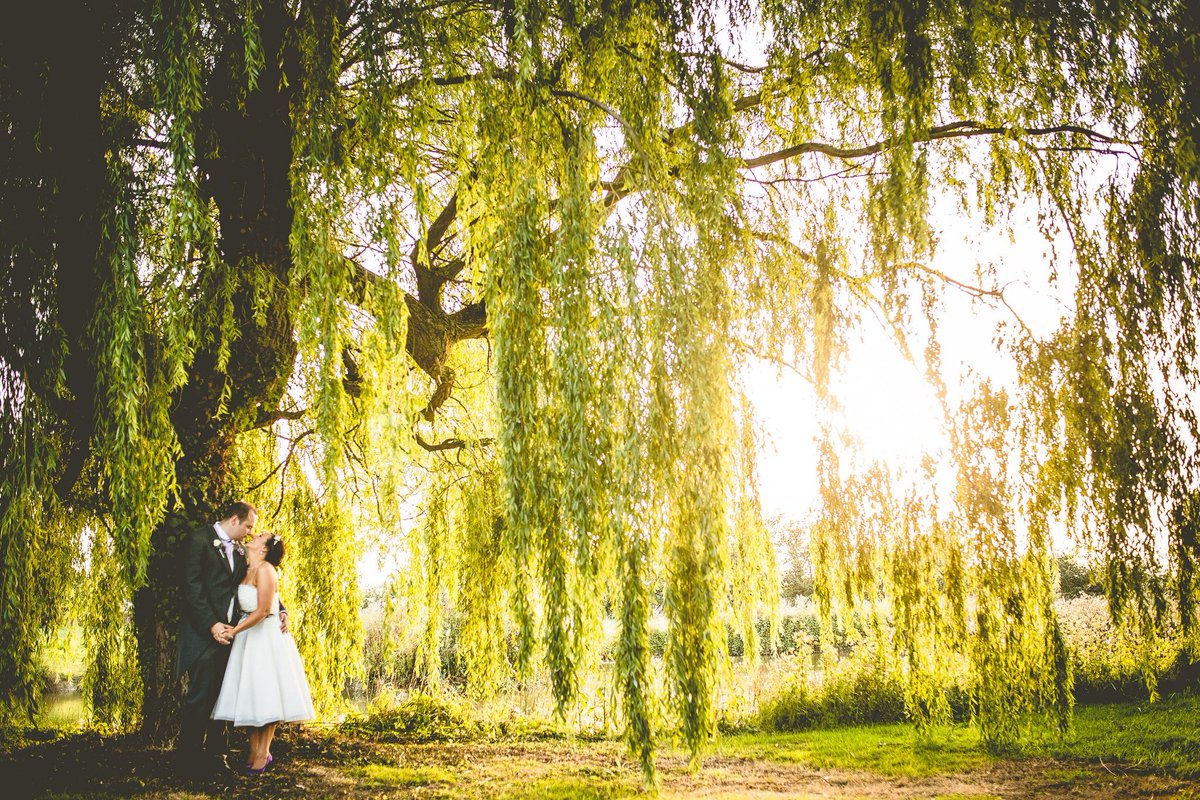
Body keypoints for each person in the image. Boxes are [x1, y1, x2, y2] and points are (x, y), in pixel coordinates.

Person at [176, 501, 289, 776]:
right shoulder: (199, 541)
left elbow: (259, 586)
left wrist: (281, 609)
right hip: (204, 634)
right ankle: (188, 762)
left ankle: (214, 756)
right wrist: (212, 625)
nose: (251, 533)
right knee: (199, 698)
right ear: (235, 521)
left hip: (232, 638)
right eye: (249, 526)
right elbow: (191, 589)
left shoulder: (241, 553)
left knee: (222, 700)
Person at [211, 531, 315, 774]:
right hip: (248, 636)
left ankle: (263, 752)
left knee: (268, 693)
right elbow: (272, 602)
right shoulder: (245, 568)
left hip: (264, 636)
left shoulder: (266, 569)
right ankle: (253, 748)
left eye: (259, 536)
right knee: (250, 692)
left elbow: (265, 608)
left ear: (265, 549)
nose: (253, 536)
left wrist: (234, 631)